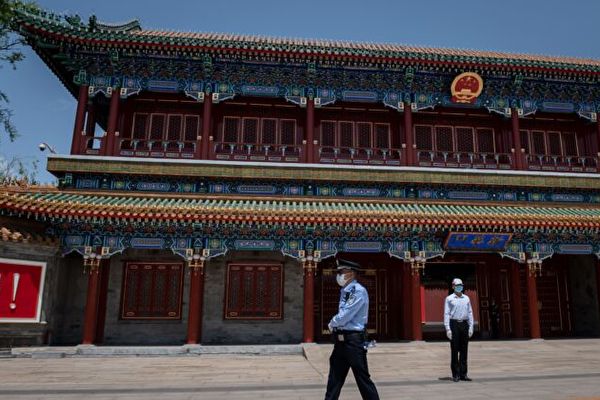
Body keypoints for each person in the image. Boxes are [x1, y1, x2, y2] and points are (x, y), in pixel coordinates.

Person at [324, 259, 380, 400]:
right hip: (341, 341)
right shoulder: (345, 291)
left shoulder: (358, 291)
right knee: (334, 378)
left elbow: (347, 314)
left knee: (362, 379)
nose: (339, 275)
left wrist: (332, 323)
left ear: (351, 273)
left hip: (353, 341)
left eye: (341, 272)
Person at [443, 277, 474, 382]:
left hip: (464, 324)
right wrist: (448, 329)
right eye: (457, 286)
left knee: (464, 350)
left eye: (460, 285)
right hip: (454, 324)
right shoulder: (449, 299)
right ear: (453, 287)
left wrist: (471, 327)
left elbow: (470, 313)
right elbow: (446, 314)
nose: (459, 287)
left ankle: (463, 374)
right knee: (455, 350)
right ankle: (455, 374)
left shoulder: (466, 298)